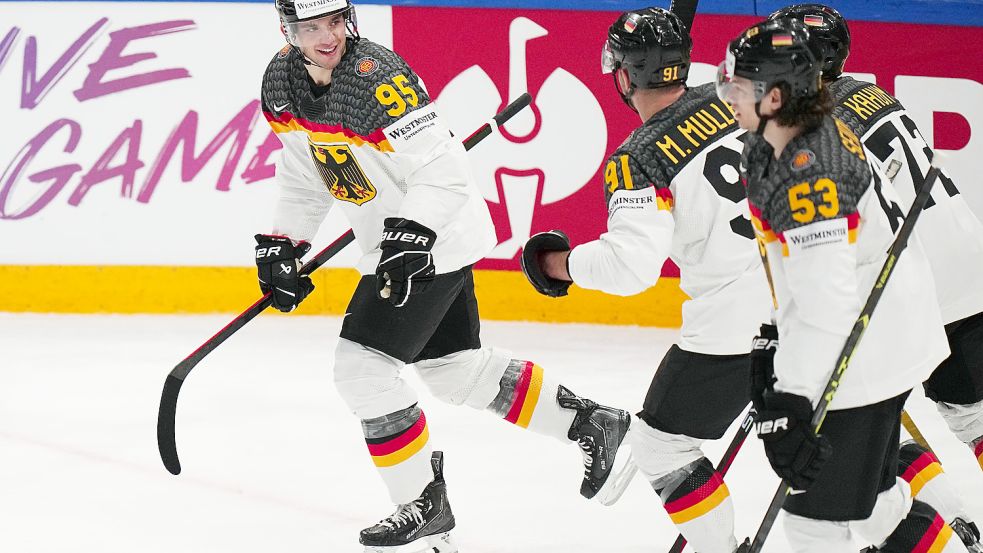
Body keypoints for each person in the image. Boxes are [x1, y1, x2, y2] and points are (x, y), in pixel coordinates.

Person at [255, 0, 634, 550]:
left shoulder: (378, 80)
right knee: (455, 370)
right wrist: (285, 240)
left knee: (360, 370)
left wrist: (413, 233)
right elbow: (304, 169)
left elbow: (444, 170)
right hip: (406, 242)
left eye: (335, 21)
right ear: (289, 31)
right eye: (312, 27)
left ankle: (420, 504)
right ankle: (588, 422)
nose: (328, 36)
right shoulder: (281, 82)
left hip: (432, 238)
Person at [521, 7, 773, 552]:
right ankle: (940, 521)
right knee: (848, 429)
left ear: (622, 77)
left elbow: (630, 268)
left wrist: (555, 265)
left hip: (735, 325)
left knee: (659, 448)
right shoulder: (733, 96)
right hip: (812, 293)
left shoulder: (637, 158)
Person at [719, 17, 966, 552]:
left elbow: (829, 304)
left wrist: (794, 397)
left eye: (740, 83)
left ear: (777, 95)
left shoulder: (812, 171)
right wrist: (773, 334)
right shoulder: (776, 140)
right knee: (875, 509)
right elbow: (797, 271)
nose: (726, 91)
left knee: (815, 526)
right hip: (878, 333)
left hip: (868, 348)